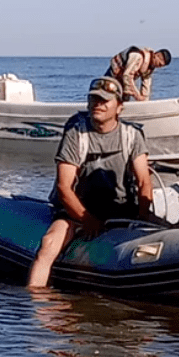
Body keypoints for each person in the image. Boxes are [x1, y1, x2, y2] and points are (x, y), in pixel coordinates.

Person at [28, 76, 154, 288]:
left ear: (119, 107)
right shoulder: (76, 133)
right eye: (94, 99)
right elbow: (64, 187)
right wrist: (87, 220)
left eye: (105, 101)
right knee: (48, 244)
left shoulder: (132, 135)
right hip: (77, 210)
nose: (98, 105)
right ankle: (36, 300)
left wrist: (141, 218)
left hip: (121, 209)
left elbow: (144, 183)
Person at [104, 46, 171, 102]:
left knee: (125, 99)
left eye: (161, 66)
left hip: (124, 81)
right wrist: (136, 95)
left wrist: (144, 101)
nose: (159, 67)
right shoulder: (138, 56)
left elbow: (146, 84)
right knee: (107, 95)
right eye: (159, 64)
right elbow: (127, 76)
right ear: (157, 55)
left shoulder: (149, 68)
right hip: (114, 75)